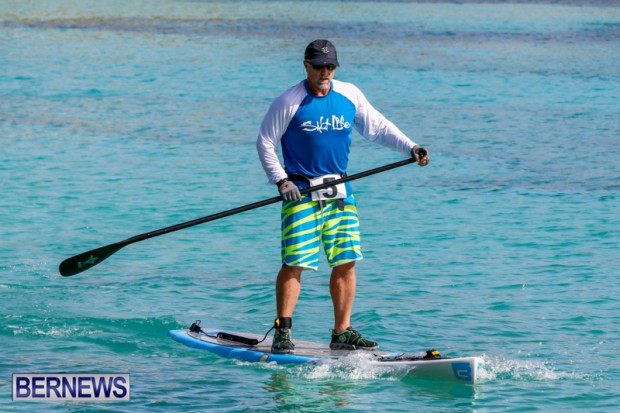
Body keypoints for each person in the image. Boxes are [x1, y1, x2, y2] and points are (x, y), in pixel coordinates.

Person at [256, 39, 429, 354]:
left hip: (340, 194)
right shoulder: (289, 101)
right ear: (306, 66)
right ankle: (283, 331)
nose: (325, 72)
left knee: (346, 261)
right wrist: (281, 181)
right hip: (301, 194)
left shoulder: (349, 94)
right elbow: (265, 142)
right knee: (295, 263)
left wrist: (411, 147)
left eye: (330, 66)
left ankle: (342, 332)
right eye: (318, 66)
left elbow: (379, 128)